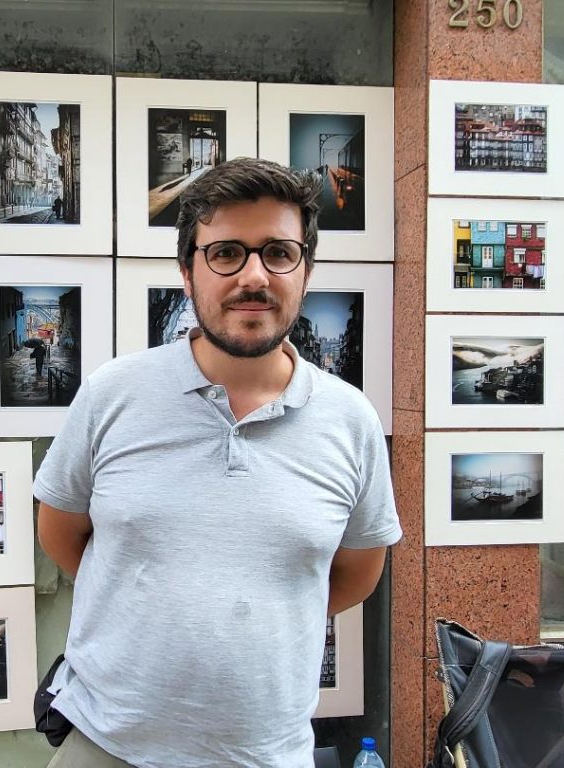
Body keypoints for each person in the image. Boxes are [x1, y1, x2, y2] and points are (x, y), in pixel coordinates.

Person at [34, 157, 402, 768]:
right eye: (226, 252)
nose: (253, 276)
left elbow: (354, 576)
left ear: (305, 272)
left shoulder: (350, 419)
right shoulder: (111, 394)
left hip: (266, 754)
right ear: (187, 273)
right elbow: (62, 534)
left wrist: (253, 608)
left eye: (279, 253)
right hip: (107, 744)